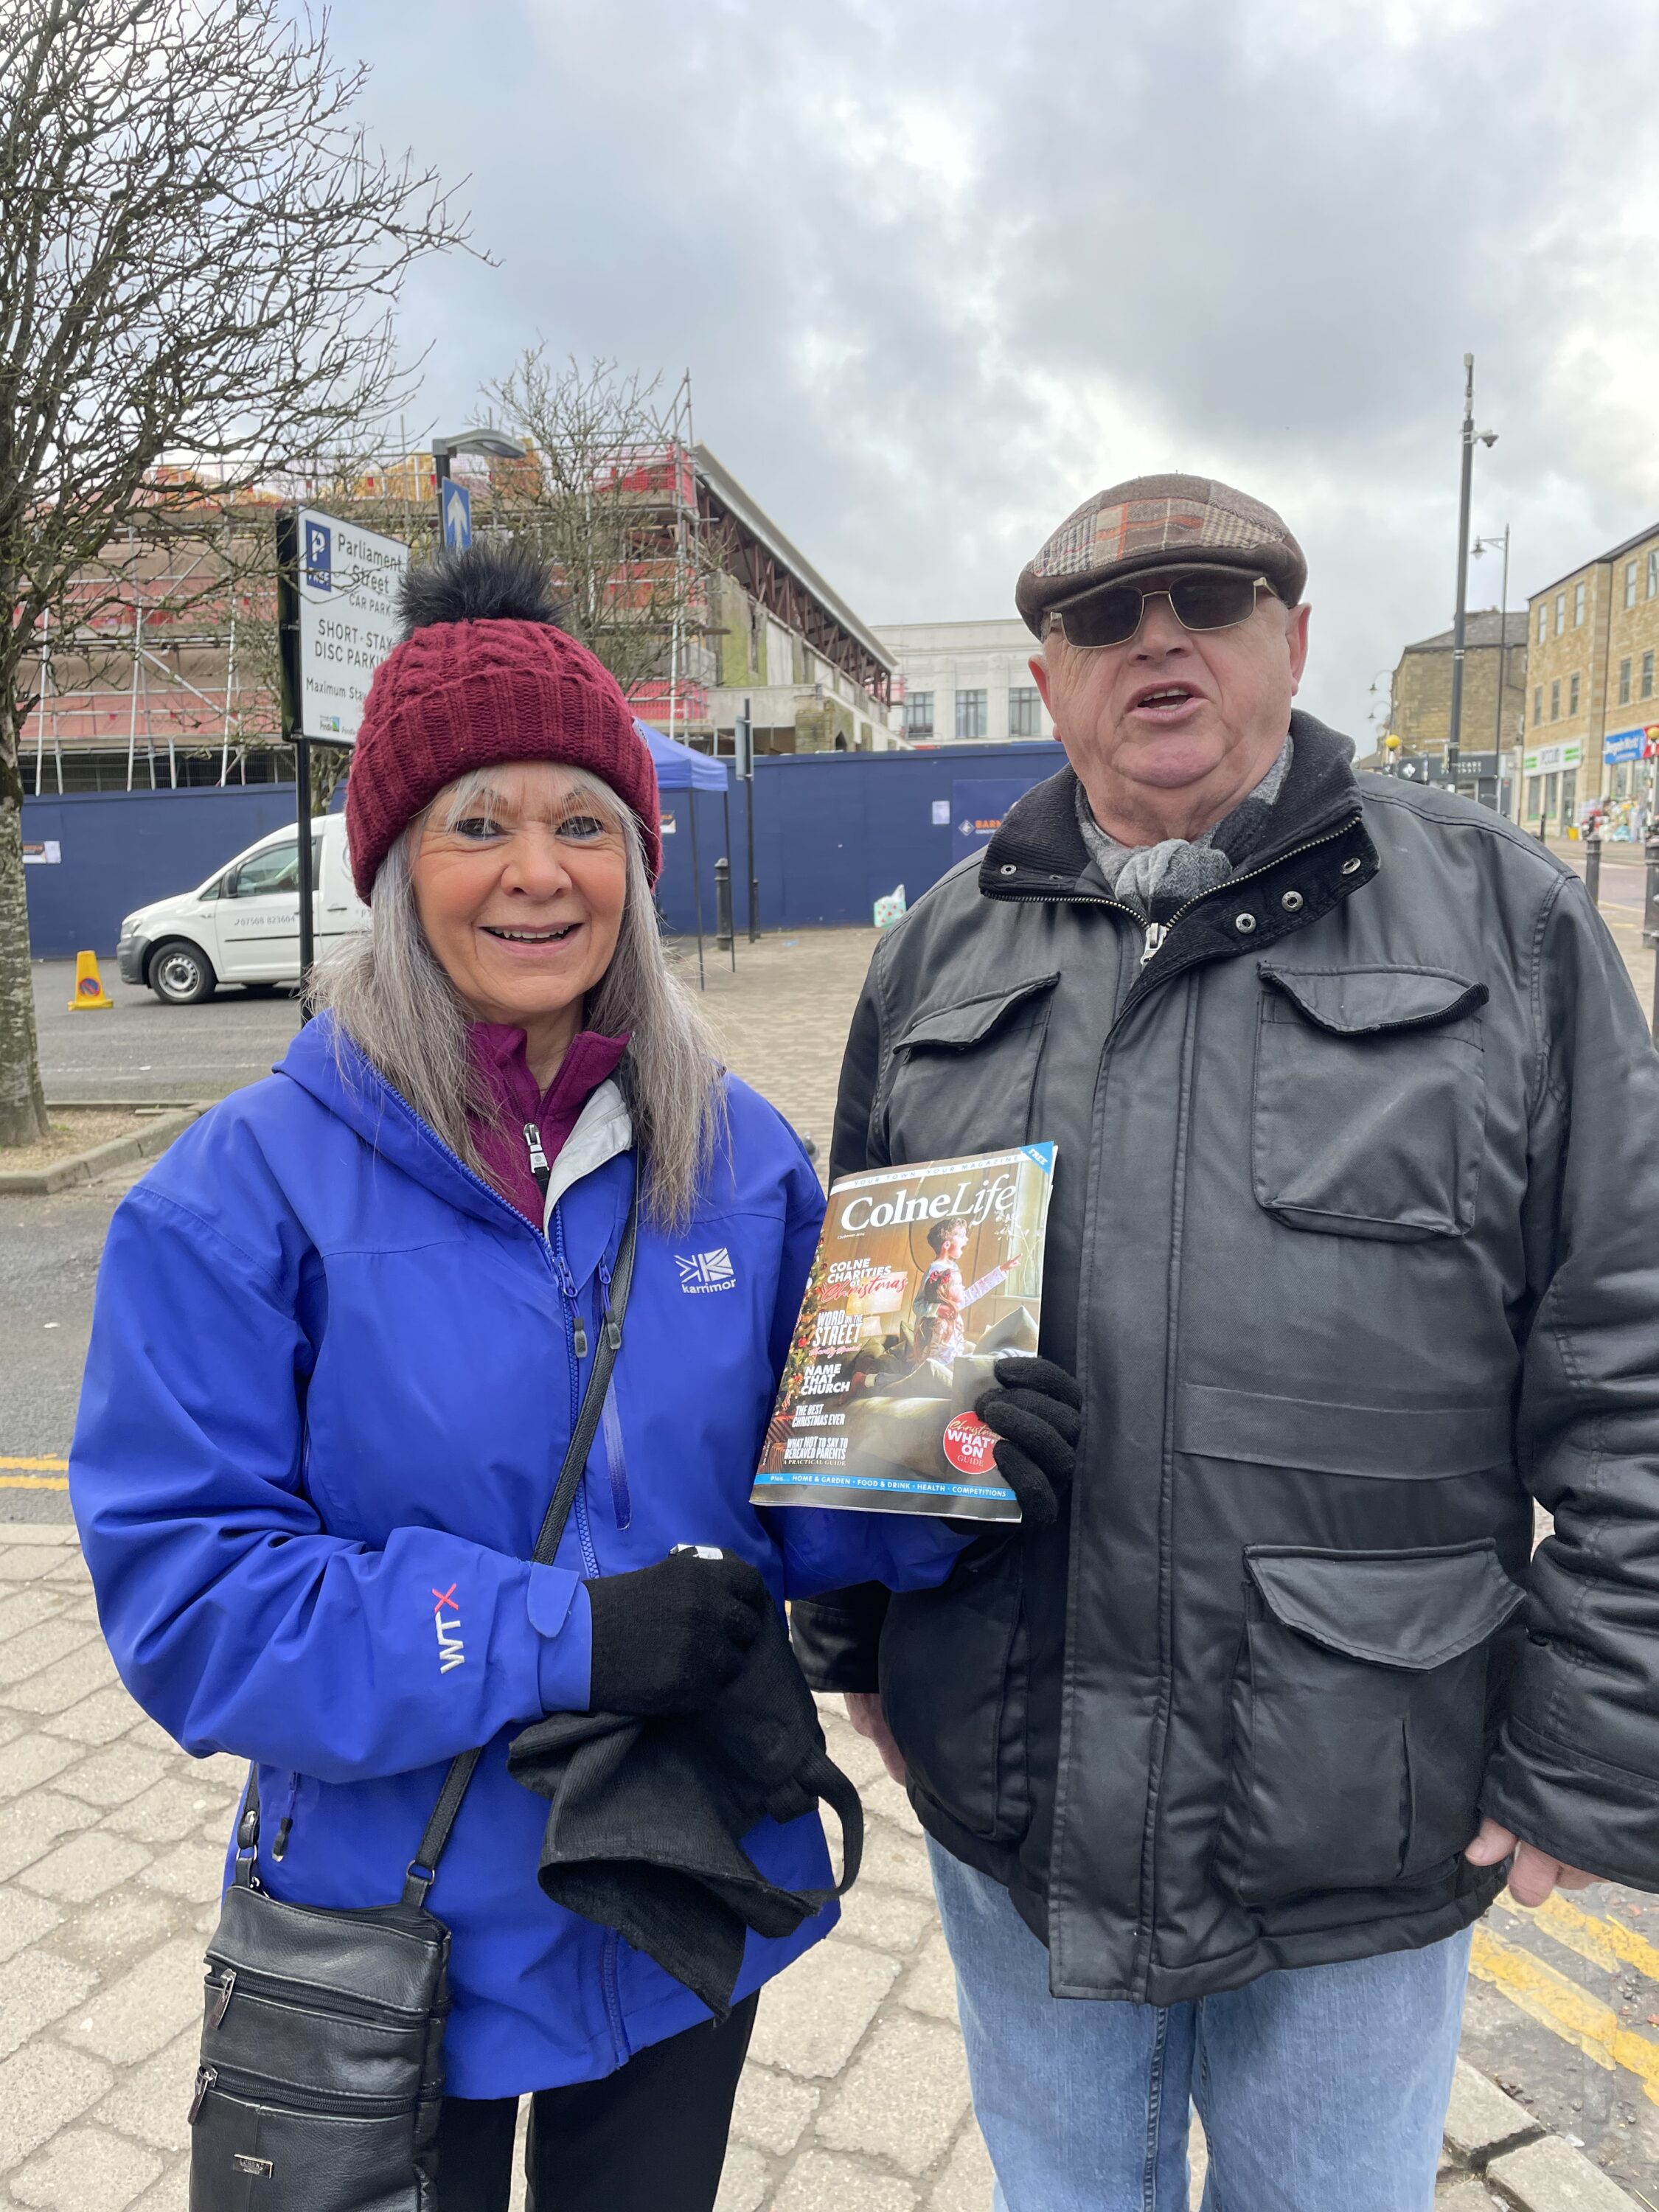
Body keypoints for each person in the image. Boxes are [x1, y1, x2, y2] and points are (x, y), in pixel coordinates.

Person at [68, 542, 1066, 2212]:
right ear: (392, 864)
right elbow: (193, 1606)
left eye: (582, 823)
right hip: (405, 1927)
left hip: (676, 1891)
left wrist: (935, 1482)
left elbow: (781, 1493)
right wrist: (565, 1633)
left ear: (638, 862)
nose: (538, 874)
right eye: (478, 823)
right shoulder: (236, 1194)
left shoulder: (734, 1156)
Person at [790, 473, 1659, 2211]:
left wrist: (1587, 1751)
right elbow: (875, 1329)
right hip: (1016, 1778)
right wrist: (858, 1626)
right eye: (1105, 618)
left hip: (1358, 1792)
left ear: (1297, 638)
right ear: (1049, 679)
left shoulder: (1511, 927)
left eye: (1213, 596)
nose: (1158, 639)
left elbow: (1629, 1359)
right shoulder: (937, 955)